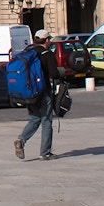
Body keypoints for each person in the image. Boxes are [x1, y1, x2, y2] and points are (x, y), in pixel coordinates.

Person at [14, 29, 62, 161]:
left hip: (30, 92)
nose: (50, 41)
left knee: (34, 119)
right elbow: (54, 74)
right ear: (46, 40)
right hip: (43, 92)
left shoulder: (29, 52)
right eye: (49, 39)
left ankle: (21, 139)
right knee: (46, 121)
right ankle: (45, 152)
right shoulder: (47, 55)